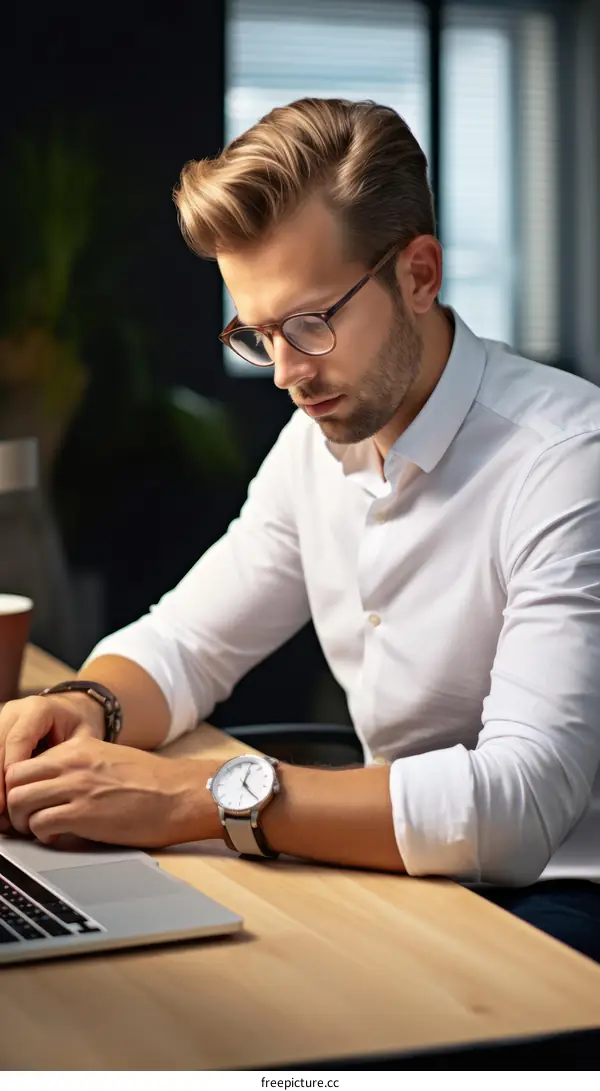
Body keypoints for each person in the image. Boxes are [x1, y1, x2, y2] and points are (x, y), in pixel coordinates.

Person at [1, 98, 600, 961]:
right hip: (404, 879)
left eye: (311, 322)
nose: (285, 372)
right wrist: (77, 708)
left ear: (420, 273)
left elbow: (519, 807)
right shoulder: (318, 440)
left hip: (560, 903)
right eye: (257, 333)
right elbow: (187, 640)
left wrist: (200, 796)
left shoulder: (566, 462)